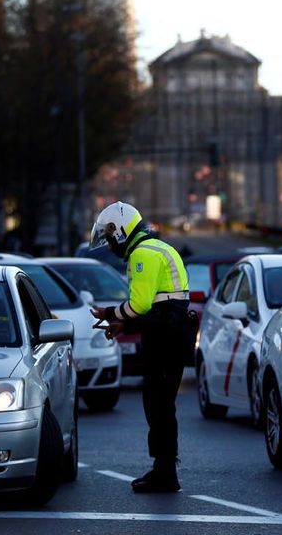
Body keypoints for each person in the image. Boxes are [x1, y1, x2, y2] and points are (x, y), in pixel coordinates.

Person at [88, 201, 194, 494]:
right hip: (169, 337)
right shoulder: (160, 248)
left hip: (164, 342)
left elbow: (141, 305)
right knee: (160, 406)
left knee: (159, 407)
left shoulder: (142, 254)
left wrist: (110, 314)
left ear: (120, 232)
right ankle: (163, 469)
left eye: (110, 239)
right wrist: (126, 324)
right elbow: (160, 308)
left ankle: (165, 473)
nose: (110, 247)